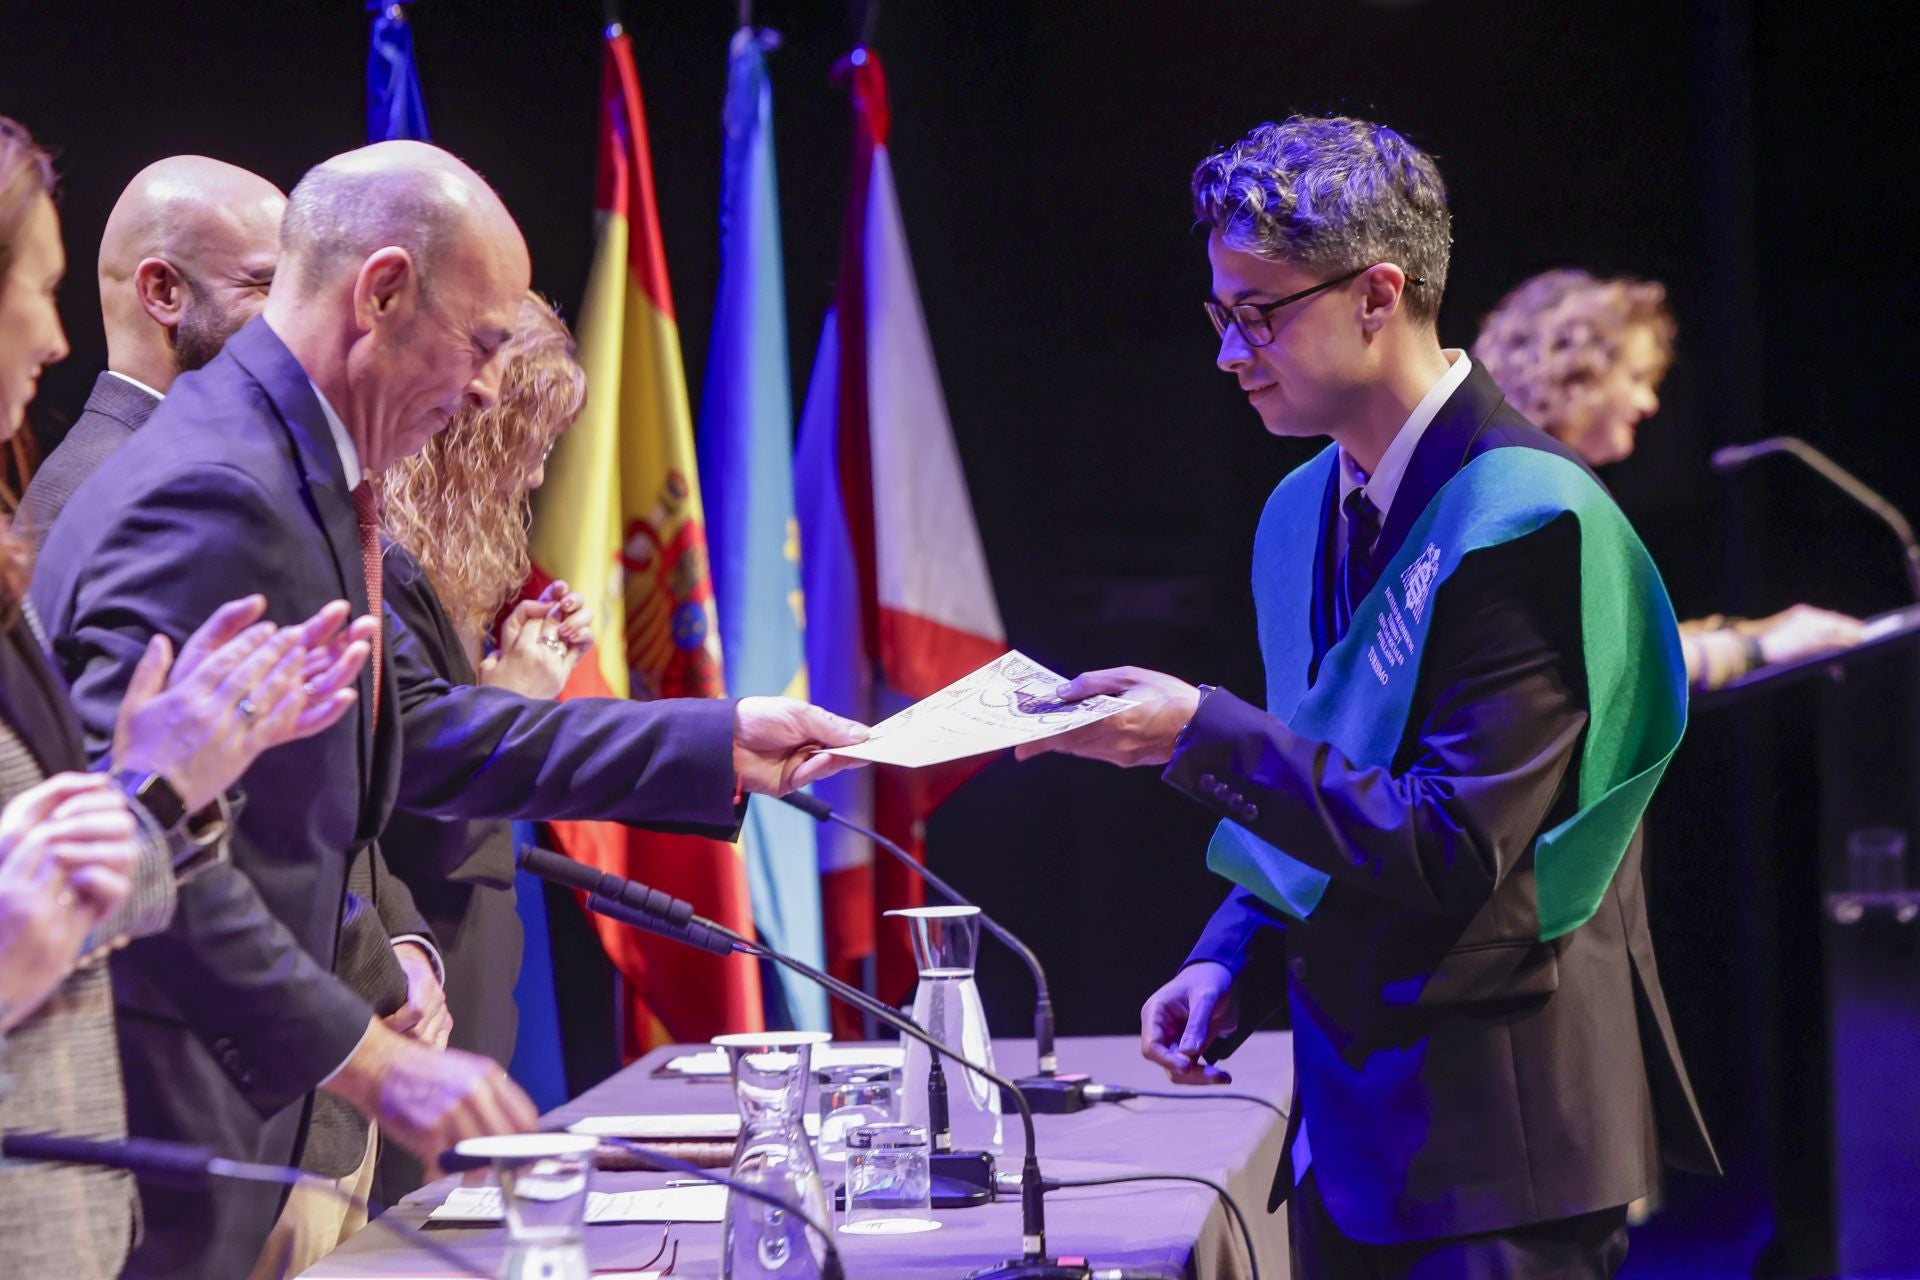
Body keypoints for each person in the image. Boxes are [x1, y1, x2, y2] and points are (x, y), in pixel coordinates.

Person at [32, 138, 865, 1278]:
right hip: (171, 1138)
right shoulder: (215, 486)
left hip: (240, 1118)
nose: (484, 386)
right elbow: (121, 845)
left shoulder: (288, 463)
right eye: (477, 342)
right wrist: (373, 1059)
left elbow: (408, 734)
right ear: (380, 291)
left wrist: (713, 737)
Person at [1020, 116, 1718, 1279]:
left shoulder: (1525, 520)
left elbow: (1448, 843)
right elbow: (1336, 757)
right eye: (1219, 312)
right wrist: (1230, 950)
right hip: (1357, 1134)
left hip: (1500, 1153)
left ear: (1378, 294)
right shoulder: (1306, 509)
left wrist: (1195, 731)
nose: (1230, 351)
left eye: (1260, 311)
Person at [0, 114, 372, 1278]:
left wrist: (153, 787)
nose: (54, 338)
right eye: (34, 288)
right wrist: (149, 792)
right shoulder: (131, 483)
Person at [374, 292, 592, 1072]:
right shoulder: (384, 573)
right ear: (470, 436)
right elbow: (424, 816)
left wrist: (508, 669)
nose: (535, 477)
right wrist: (518, 703)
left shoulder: (441, 574)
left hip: (473, 971)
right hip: (420, 987)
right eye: (527, 445)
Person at [1473, 268, 1862, 690]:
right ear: (1572, 372)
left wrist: (1763, 632)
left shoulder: (1515, 473)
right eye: (1636, 378)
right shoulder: (1528, 494)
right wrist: (1760, 651)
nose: (1649, 402)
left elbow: (1614, 646)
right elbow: (1603, 672)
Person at [19, 155, 284, 547]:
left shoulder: (172, 474)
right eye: (267, 285)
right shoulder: (115, 500)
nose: (293, 317)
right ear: (163, 292)